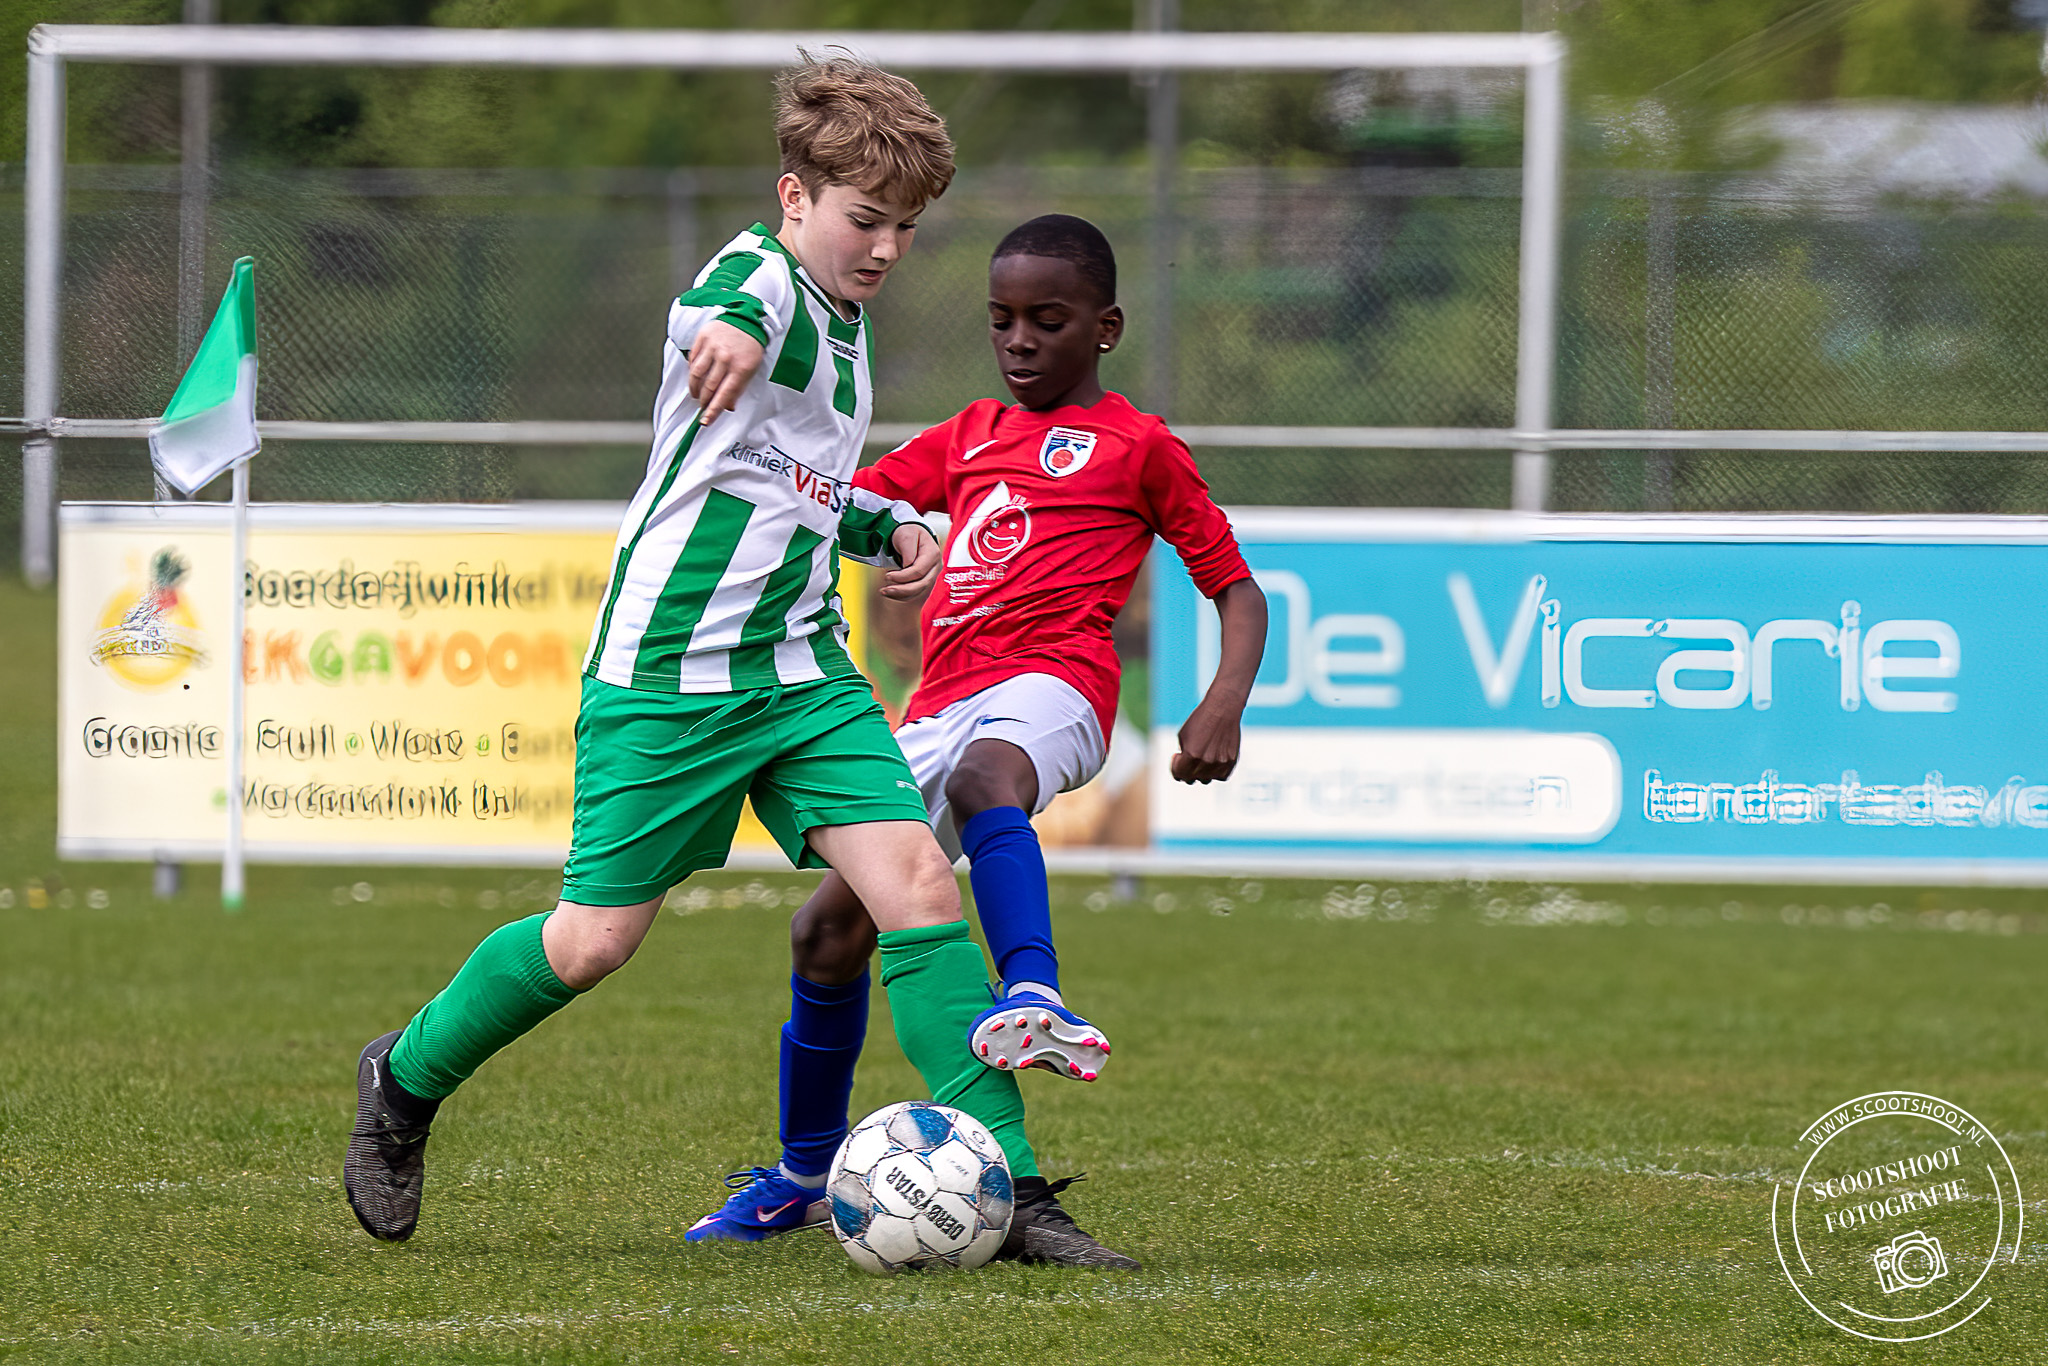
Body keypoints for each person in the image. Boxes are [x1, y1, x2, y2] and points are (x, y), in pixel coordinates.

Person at [343, 54, 1053, 1255]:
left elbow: (795, 482)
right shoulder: (763, 277)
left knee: (920, 888)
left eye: (905, 227)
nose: (884, 247)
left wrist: (886, 524)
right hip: (671, 671)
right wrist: (722, 328)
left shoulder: (846, 329)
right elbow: (721, 305)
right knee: (592, 942)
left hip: (800, 673)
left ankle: (1018, 1194)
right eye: (864, 219)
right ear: (794, 197)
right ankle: (403, 1079)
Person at [684, 214, 1267, 1265]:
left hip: (1056, 685)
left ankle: (1032, 990)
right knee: (825, 934)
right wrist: (821, 497)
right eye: (1002, 319)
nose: (1020, 339)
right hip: (937, 704)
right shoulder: (967, 435)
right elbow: (853, 501)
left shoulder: (1138, 445)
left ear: (1105, 327)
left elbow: (1235, 587)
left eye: (1048, 319)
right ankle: (804, 1176)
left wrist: (1221, 702)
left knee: (987, 775)